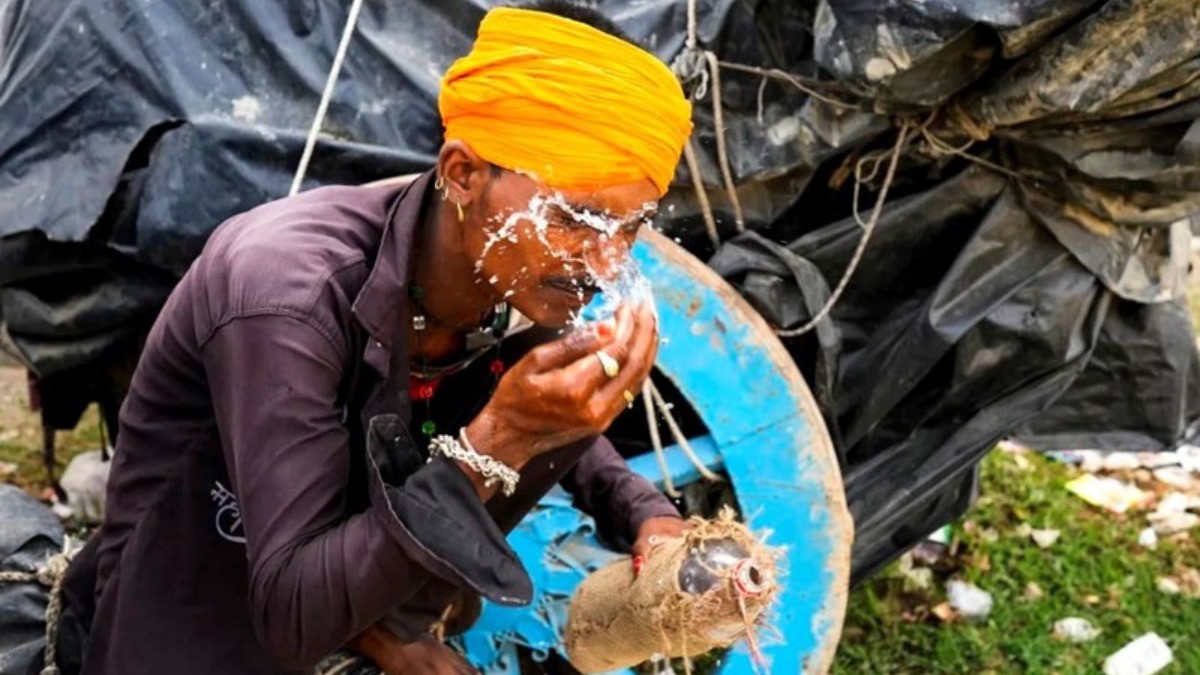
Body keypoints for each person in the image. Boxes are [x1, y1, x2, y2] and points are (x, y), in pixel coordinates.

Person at [55, 1, 695, 674]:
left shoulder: (510, 279)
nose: (605, 260)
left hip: (357, 604)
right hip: (196, 629)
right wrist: (500, 437)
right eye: (574, 216)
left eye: (629, 227)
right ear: (462, 174)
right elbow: (292, 615)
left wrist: (643, 509)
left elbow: (544, 411)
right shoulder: (286, 294)